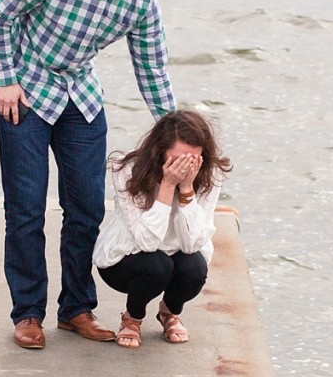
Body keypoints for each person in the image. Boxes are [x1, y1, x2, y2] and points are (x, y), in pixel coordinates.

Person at [0, 0, 177, 350]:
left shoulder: (142, 0)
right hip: (26, 93)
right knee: (27, 209)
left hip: (81, 98)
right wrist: (4, 79)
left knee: (87, 208)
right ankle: (28, 313)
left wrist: (176, 133)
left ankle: (75, 309)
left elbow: (151, 68)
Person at [94, 109, 231, 348]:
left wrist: (187, 189)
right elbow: (146, 243)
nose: (185, 166)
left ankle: (169, 312)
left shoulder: (210, 175)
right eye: (177, 159)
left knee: (194, 267)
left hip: (179, 255)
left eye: (192, 159)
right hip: (127, 259)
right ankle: (132, 318)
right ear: (160, 152)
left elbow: (192, 244)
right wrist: (167, 186)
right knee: (157, 265)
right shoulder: (128, 170)